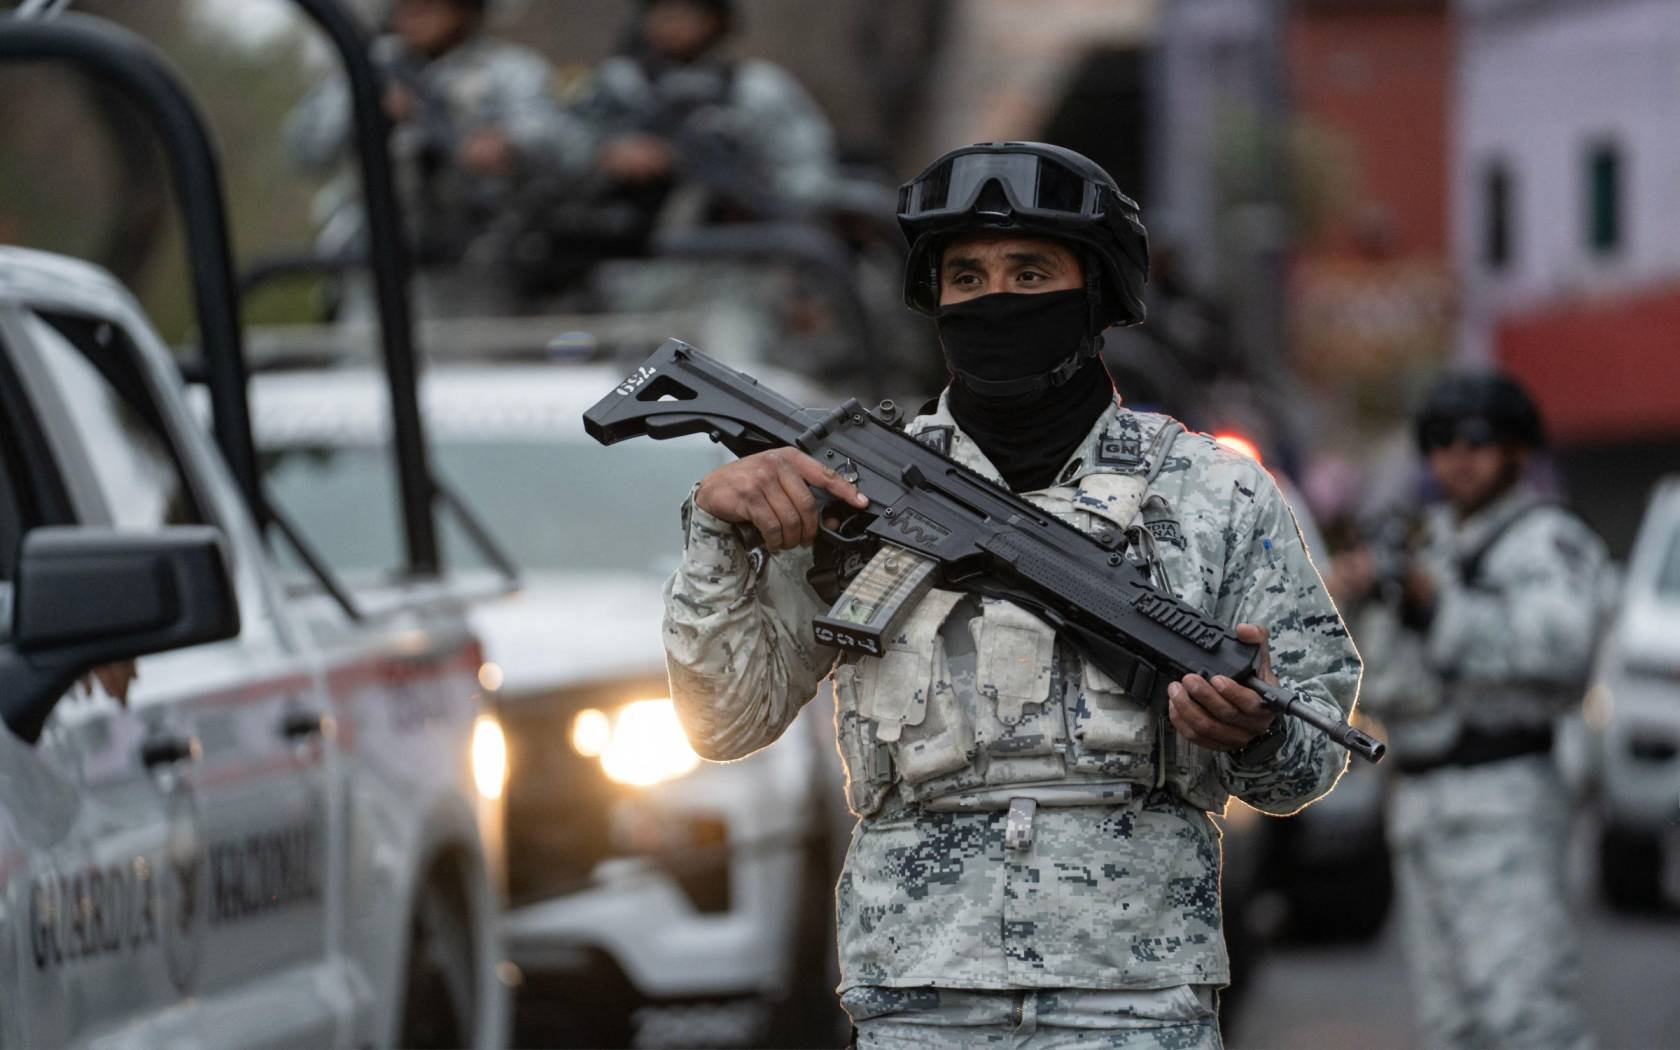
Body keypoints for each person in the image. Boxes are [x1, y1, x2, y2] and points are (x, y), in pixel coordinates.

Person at [660, 141, 1362, 1047]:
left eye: (1031, 271)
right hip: (918, 997)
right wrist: (718, 534)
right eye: (967, 277)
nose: (996, 300)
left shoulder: (1211, 492)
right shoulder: (858, 492)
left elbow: (1310, 760)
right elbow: (724, 722)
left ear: (1097, 293)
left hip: (1132, 998)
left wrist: (1256, 730)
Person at [1337, 371, 1604, 1049]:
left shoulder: (1544, 540)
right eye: (1441, 439)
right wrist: (1359, 593)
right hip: (1421, 803)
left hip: (1502, 798)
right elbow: (1374, 672)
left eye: (1478, 438)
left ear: (1518, 448)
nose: (1458, 453)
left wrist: (1437, 607)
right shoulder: (1423, 540)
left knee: (1526, 1020)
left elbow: (1564, 647)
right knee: (1450, 1026)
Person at [285, 0, 592, 317]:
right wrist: (362, 108)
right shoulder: (363, 68)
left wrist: (510, 144)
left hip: (483, 269)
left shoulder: (510, 70)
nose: (414, 14)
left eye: (430, 6)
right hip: (377, 270)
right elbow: (305, 149)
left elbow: (571, 148)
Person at [565, 0, 838, 235]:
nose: (670, 22)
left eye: (685, 11)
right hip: (629, 252)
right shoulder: (617, 84)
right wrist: (609, 154)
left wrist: (747, 190)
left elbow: (809, 177)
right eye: (662, 9)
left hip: (743, 249)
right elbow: (561, 149)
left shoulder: (758, 89)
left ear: (716, 20)